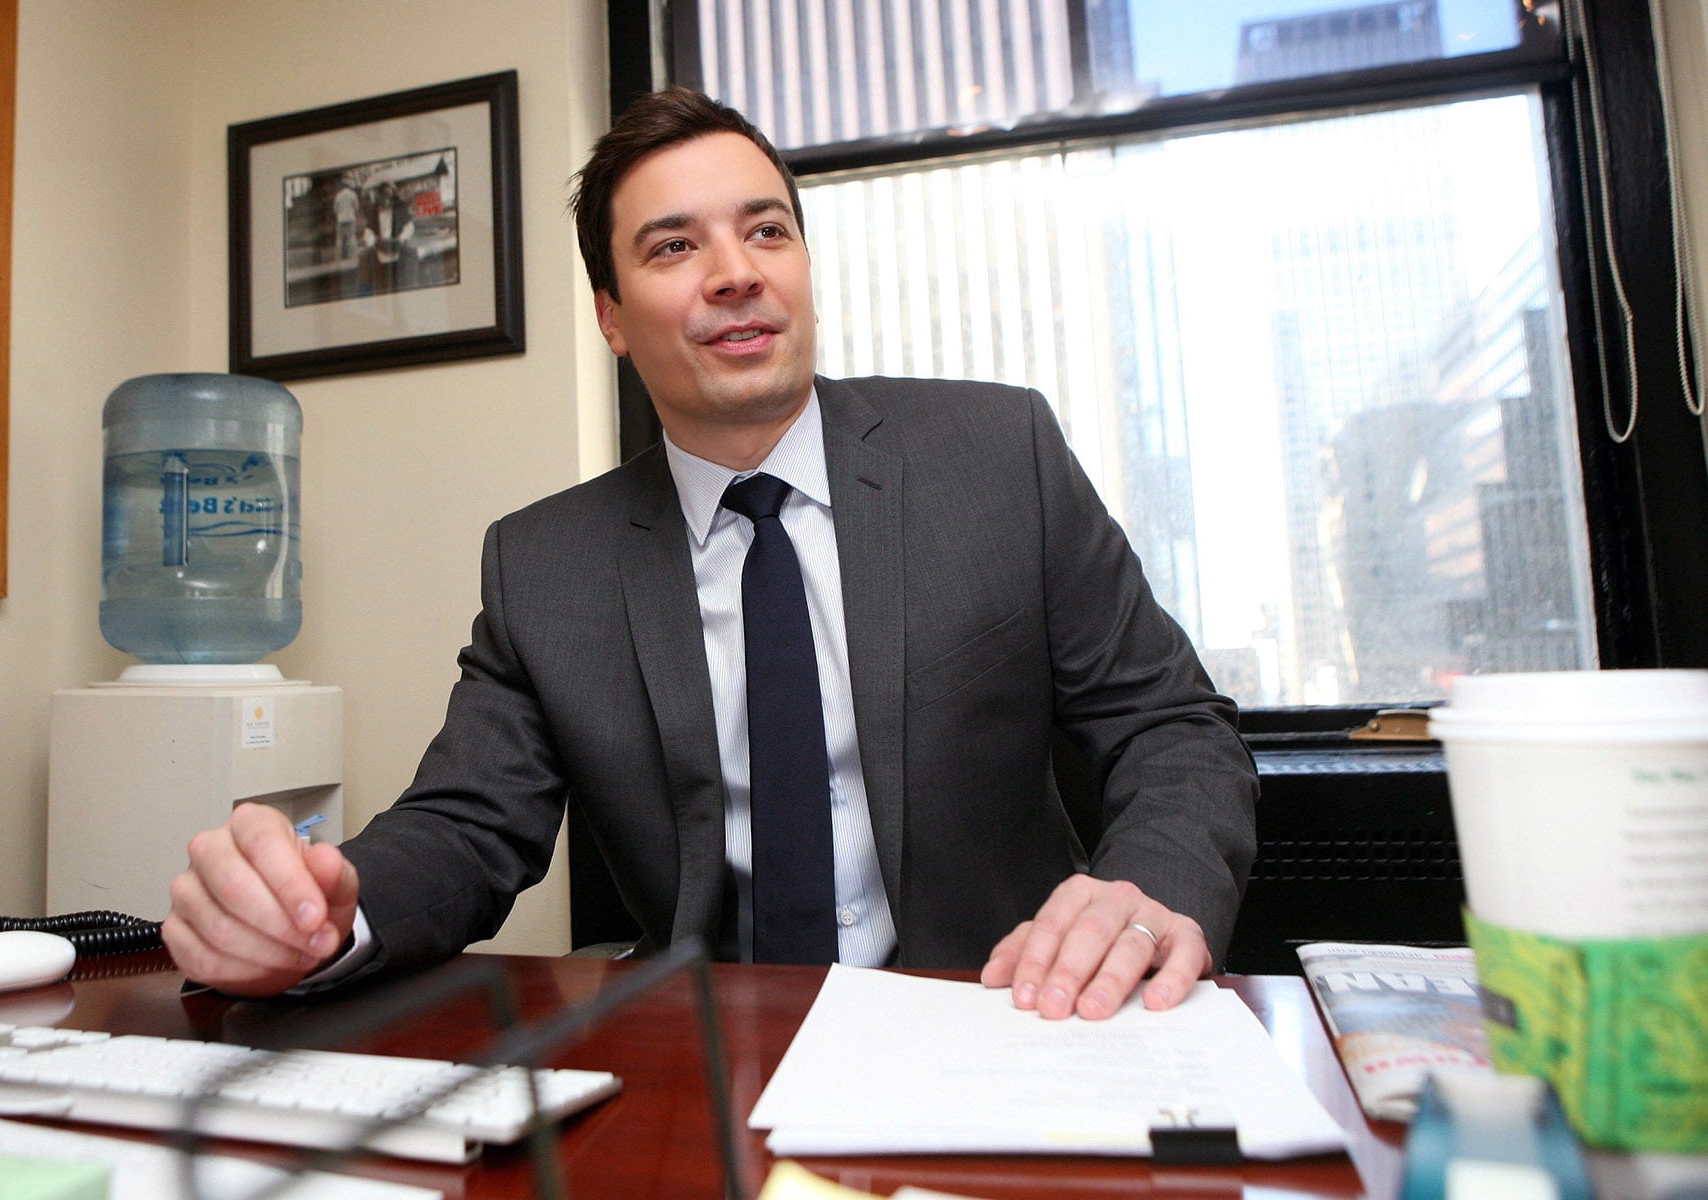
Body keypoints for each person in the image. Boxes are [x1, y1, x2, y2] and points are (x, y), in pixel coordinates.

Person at [163, 88, 1258, 1022]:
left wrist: (1147, 887)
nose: (735, 273)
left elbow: (1170, 726)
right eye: (675, 246)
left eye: (767, 231)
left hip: (1003, 1014)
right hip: (706, 1043)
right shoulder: (547, 564)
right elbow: (465, 825)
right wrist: (323, 914)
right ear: (612, 317)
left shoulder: (996, 457)